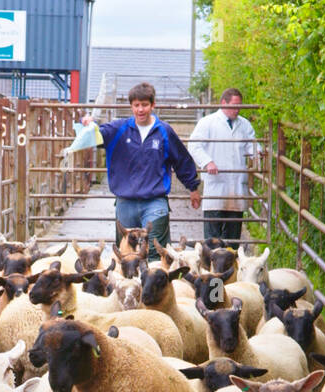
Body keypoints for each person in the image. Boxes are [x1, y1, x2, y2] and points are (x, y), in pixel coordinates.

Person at [82, 82, 201, 262]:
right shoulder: (119, 129)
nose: (140, 110)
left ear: (153, 105)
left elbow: (182, 159)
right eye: (136, 105)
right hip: (125, 201)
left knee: (154, 252)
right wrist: (90, 125)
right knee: (127, 253)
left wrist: (193, 187)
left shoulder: (164, 132)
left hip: (155, 202)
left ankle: (154, 286)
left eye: (145, 105)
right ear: (131, 106)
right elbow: (97, 135)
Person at [188, 88, 259, 243]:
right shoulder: (207, 123)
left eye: (240, 106)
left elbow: (252, 146)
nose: (237, 110)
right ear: (223, 103)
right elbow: (194, 146)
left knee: (233, 237)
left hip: (236, 188)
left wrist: (259, 153)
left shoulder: (244, 125)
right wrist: (207, 162)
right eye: (234, 106)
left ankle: (231, 263)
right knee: (213, 238)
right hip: (216, 186)